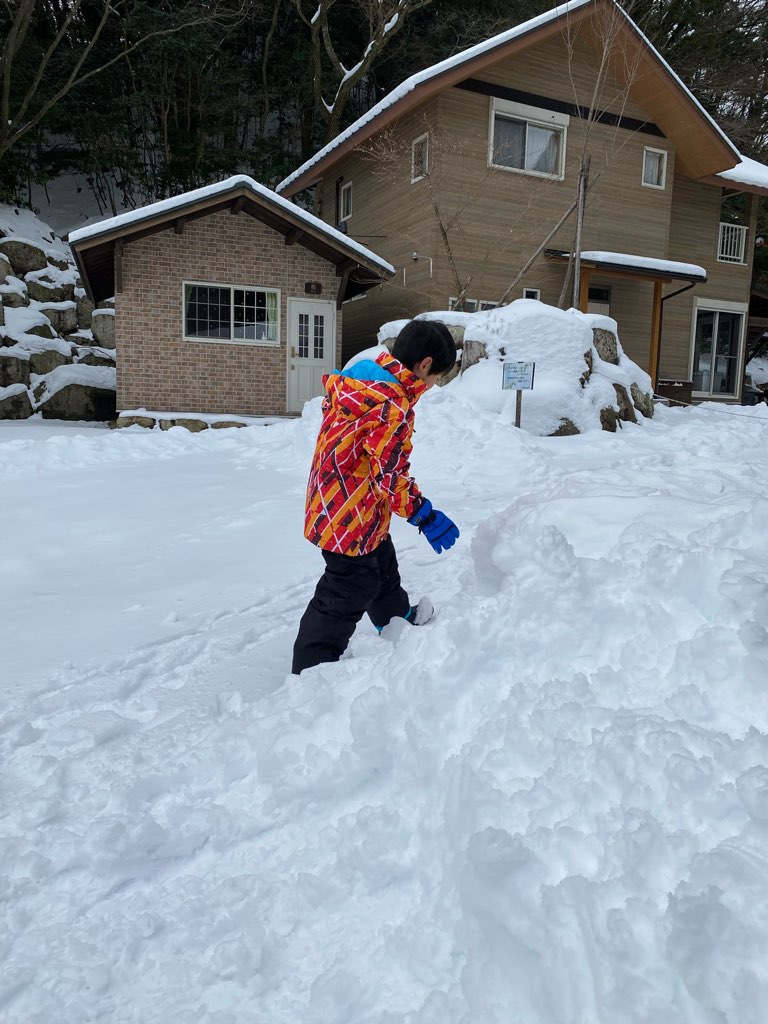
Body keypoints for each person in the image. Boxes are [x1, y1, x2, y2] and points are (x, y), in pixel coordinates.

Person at [291, 319, 460, 675]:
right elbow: (391, 477)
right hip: (347, 512)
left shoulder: (361, 382)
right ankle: (311, 669)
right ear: (425, 365)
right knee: (351, 584)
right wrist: (423, 514)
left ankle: (397, 621)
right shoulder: (390, 406)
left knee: (381, 560)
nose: (431, 386)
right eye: (436, 378)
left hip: (336, 499)